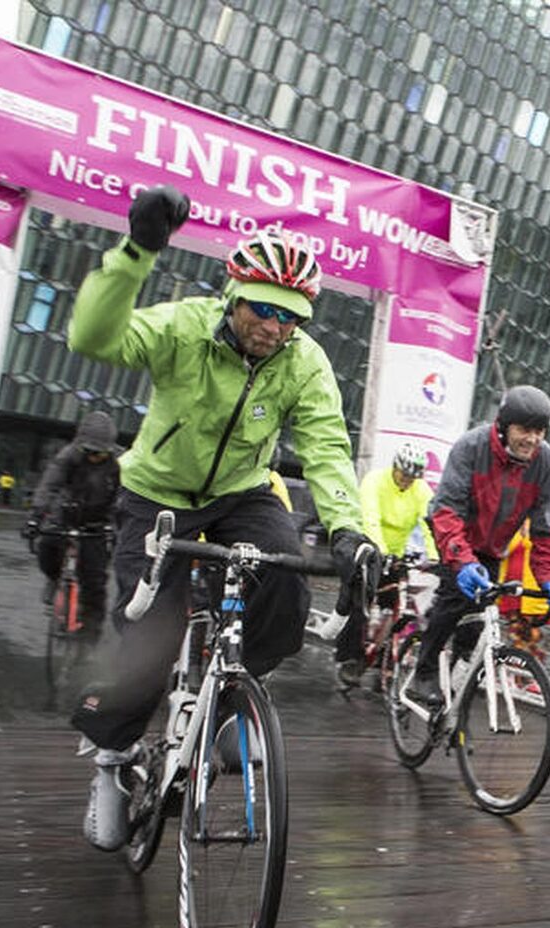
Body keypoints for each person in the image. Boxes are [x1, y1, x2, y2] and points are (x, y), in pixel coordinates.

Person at [65, 185, 374, 851]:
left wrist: (348, 527)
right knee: (150, 633)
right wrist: (137, 252)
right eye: (262, 309)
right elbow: (92, 336)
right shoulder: (182, 326)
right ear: (231, 296)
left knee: (288, 587)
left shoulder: (302, 360)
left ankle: (235, 689)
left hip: (241, 490)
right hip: (158, 494)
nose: (274, 326)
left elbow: (325, 445)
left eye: (291, 316)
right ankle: (113, 761)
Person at [413, 385, 550, 703]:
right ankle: (423, 672)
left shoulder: (545, 460)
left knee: (479, 619)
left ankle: (456, 685)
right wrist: (463, 562)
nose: (533, 439)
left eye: (540, 431)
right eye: (524, 430)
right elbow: (447, 511)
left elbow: (545, 528)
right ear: (503, 425)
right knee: (454, 599)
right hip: (455, 535)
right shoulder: (472, 446)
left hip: (493, 547)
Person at [336, 443, 439, 685]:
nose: (406, 481)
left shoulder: (421, 490)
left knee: (398, 607)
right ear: (394, 468)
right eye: (403, 475)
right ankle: (349, 657)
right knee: (360, 605)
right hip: (369, 549)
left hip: (397, 554)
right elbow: (370, 519)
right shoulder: (375, 481)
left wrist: (435, 555)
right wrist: (380, 551)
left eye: (412, 478)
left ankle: (386, 657)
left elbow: (429, 525)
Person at [22, 411, 121, 635]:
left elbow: (125, 498)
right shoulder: (68, 456)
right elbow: (49, 486)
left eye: (101, 453)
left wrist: (118, 527)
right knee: (47, 548)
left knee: (95, 582)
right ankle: (54, 579)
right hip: (66, 515)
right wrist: (35, 517)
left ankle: (89, 638)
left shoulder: (120, 464)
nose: (95, 456)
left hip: (99, 522)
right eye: (90, 451)